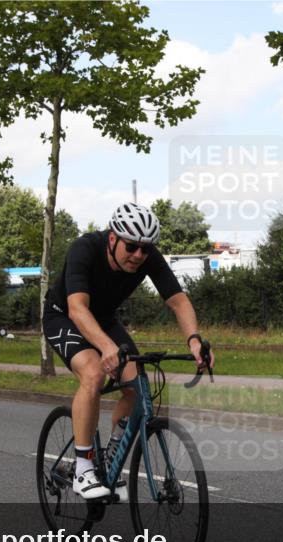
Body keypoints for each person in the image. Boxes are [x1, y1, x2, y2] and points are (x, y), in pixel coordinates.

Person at [42, 202, 214, 499]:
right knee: (93, 373)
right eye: (131, 246)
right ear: (113, 239)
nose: (138, 255)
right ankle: (84, 468)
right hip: (64, 316)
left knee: (138, 387)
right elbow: (78, 308)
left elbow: (179, 302)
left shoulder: (147, 257)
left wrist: (195, 341)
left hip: (105, 320)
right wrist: (107, 347)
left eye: (145, 249)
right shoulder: (85, 249)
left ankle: (110, 459)